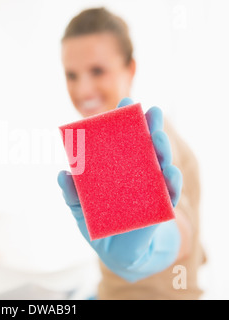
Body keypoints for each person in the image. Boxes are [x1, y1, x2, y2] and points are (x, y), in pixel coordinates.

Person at [57, 7, 206, 300]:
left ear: (130, 69)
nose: (83, 89)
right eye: (72, 75)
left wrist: (146, 253)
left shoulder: (152, 138)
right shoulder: (101, 149)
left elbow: (181, 235)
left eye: (97, 71)